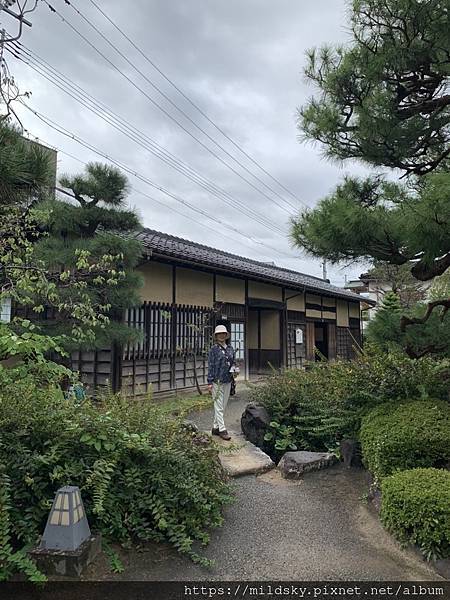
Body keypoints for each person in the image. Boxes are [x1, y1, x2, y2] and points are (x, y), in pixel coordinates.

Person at [207, 324, 236, 441]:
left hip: (228, 380)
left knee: (223, 406)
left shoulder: (230, 349)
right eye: (219, 334)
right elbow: (211, 366)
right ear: (216, 336)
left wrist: (235, 371)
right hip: (216, 381)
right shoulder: (213, 350)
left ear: (226, 335)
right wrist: (209, 382)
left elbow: (233, 363)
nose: (221, 335)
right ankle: (222, 430)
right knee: (218, 406)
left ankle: (215, 427)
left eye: (223, 333)